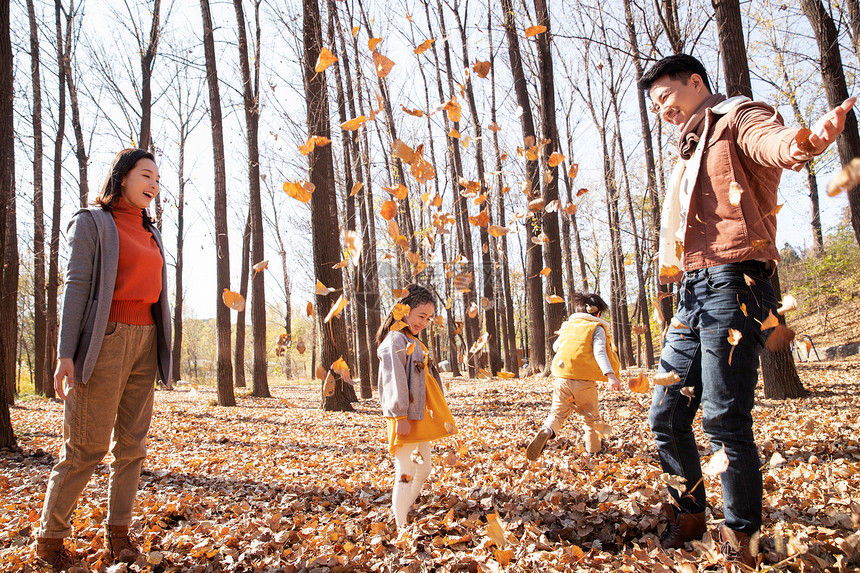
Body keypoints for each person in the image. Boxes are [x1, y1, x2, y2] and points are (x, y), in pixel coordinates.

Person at [639, 54, 853, 570]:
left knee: (723, 418)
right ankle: (689, 516)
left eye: (666, 97)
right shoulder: (687, 149)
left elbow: (773, 144)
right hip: (693, 286)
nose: (662, 109)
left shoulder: (738, 116)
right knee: (666, 415)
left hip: (738, 280)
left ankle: (741, 541)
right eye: (654, 105)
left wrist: (807, 141)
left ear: (696, 83)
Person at [35, 149, 172, 569]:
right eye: (146, 175)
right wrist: (65, 354)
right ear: (123, 177)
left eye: (157, 179)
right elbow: (76, 288)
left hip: (146, 341)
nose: (153, 184)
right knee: (85, 448)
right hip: (104, 340)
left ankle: (119, 536)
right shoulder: (92, 222)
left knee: (132, 447)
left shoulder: (151, 229)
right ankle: (50, 540)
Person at [376, 284, 456, 530]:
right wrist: (400, 415)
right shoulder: (395, 339)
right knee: (406, 471)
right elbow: (394, 379)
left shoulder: (414, 341)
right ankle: (400, 526)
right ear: (403, 310)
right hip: (404, 416)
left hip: (419, 415)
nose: (425, 322)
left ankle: (403, 510)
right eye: (421, 316)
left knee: (425, 468)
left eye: (429, 318)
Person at [526, 292, 622, 461]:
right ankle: (594, 452)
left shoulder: (568, 326)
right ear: (598, 313)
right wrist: (611, 375)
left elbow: (557, 347)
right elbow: (599, 352)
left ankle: (547, 430)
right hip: (583, 381)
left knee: (557, 414)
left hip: (561, 378)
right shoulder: (596, 328)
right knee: (591, 419)